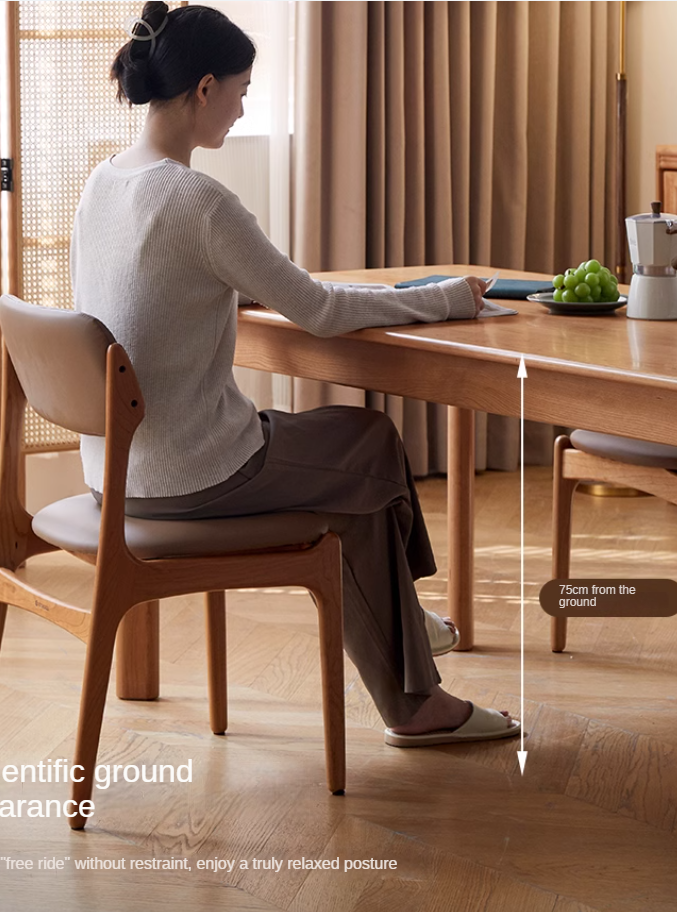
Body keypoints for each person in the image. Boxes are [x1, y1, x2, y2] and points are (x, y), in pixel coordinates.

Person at [69, 2, 519, 747]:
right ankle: (414, 698)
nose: (244, 109)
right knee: (370, 443)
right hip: (193, 474)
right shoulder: (199, 199)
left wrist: (220, 283)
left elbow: (143, 289)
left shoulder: (103, 183)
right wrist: (444, 295)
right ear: (204, 88)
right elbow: (318, 307)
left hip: (114, 472)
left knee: (355, 485)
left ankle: (413, 669)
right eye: (242, 91)